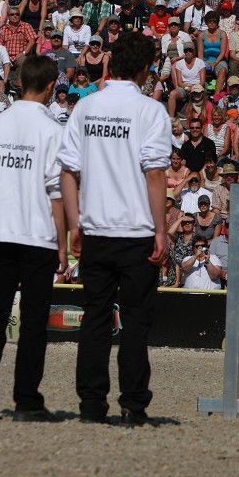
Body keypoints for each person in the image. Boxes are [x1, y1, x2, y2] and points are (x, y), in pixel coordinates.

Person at [59, 32, 171, 427]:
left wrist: (74, 223)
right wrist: (162, 230)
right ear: (145, 68)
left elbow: (68, 172)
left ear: (112, 64)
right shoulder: (151, 111)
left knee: (95, 319)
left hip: (94, 228)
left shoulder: (86, 107)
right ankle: (133, 404)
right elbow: (154, 172)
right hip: (137, 230)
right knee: (136, 322)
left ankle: (91, 403)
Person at [0, 55, 67, 423]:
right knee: (32, 322)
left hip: (3, 234)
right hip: (38, 236)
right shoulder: (52, 130)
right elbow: (56, 191)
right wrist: (63, 242)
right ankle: (26, 400)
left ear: (21, 81)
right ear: (49, 86)